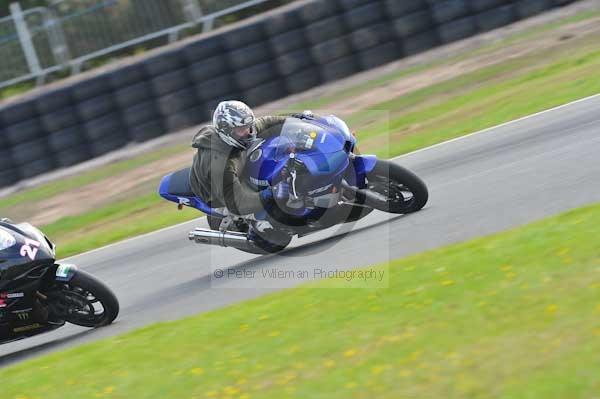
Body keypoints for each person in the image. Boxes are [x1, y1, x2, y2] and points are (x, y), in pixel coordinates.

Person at [189, 100, 290, 217]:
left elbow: (265, 122)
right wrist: (270, 193)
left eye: (248, 126)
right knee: (266, 214)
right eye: (242, 129)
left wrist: (294, 120)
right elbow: (238, 203)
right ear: (227, 131)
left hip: (237, 167)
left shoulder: (243, 132)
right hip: (216, 193)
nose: (248, 132)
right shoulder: (220, 165)